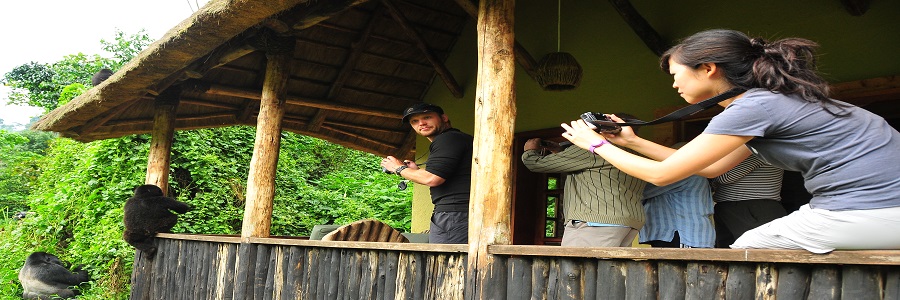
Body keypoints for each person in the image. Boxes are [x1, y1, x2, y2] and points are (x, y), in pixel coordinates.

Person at [560, 29, 900, 253]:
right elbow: (711, 168)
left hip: (869, 210)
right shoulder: (772, 101)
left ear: (707, 68)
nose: (675, 85)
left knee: (747, 250)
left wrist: (593, 144)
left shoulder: (752, 107)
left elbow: (663, 176)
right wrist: (632, 141)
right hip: (879, 211)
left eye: (676, 75)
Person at [521, 137, 646, 247]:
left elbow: (536, 164)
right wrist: (561, 153)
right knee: (609, 271)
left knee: (577, 271)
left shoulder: (594, 148)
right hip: (629, 222)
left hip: (595, 221)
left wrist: (529, 151)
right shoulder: (637, 153)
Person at [381, 103, 473, 244]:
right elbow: (445, 175)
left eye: (427, 117)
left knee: (447, 264)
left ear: (444, 118)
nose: (421, 123)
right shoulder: (457, 138)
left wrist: (398, 168)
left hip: (454, 215)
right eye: (414, 121)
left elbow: (432, 179)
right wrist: (416, 171)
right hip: (462, 214)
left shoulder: (447, 139)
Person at [639, 142, 715, 248]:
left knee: (672, 265)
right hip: (687, 235)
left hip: (682, 234)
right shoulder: (697, 173)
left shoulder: (683, 174)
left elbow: (640, 192)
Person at [710, 154, 787, 248]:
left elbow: (726, 177)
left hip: (751, 207)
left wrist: (699, 170)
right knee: (728, 253)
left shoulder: (757, 151)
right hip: (740, 207)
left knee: (756, 252)